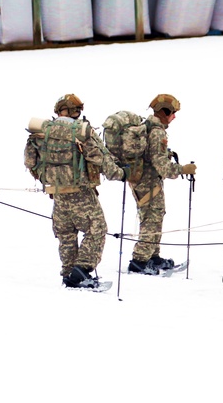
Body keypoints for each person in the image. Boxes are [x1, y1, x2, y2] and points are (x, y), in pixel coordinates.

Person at [24, 94, 125, 288]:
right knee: (97, 229)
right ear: (76, 111)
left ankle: (69, 273)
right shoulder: (80, 131)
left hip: (57, 194)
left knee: (66, 235)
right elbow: (99, 158)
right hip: (82, 194)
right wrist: (120, 173)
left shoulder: (43, 131)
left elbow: (29, 161)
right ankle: (81, 271)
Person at [127, 94, 197, 275]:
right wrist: (183, 170)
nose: (174, 117)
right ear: (164, 112)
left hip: (145, 181)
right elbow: (163, 167)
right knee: (152, 218)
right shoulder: (157, 132)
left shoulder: (148, 128)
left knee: (155, 215)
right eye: (172, 113)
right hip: (148, 183)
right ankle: (139, 261)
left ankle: (153, 256)